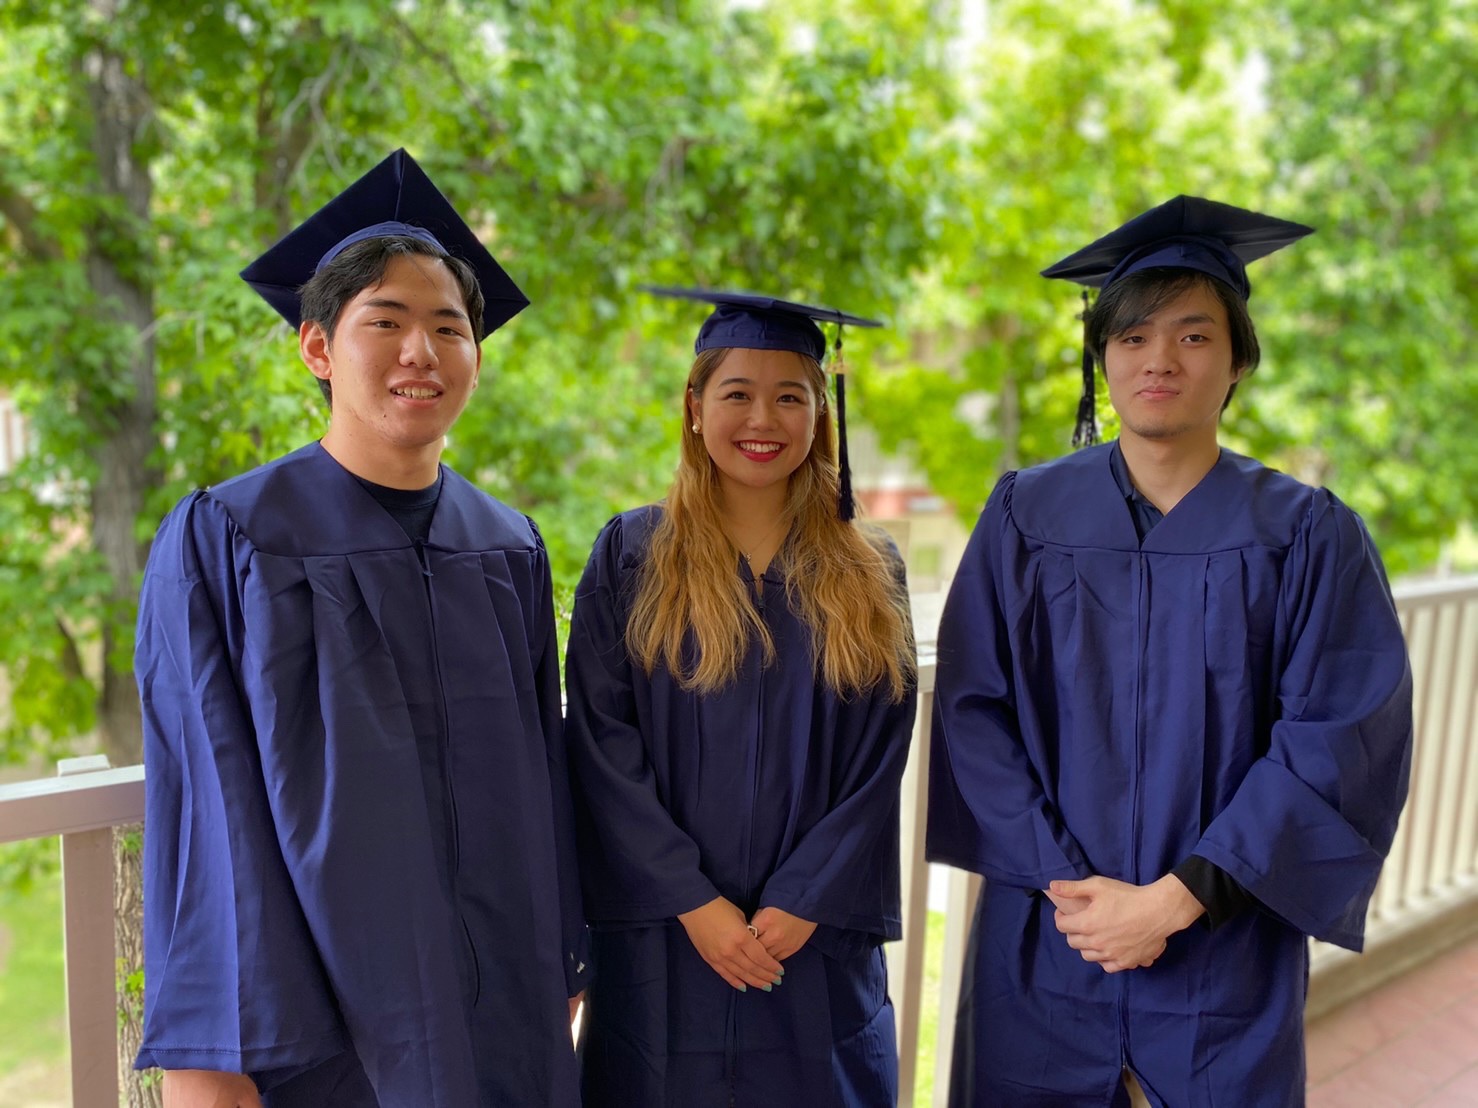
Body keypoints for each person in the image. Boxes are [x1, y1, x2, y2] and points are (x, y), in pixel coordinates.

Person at [926, 195, 1414, 1106]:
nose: (1160, 359)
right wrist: (1078, 893)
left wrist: (1173, 901)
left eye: (1194, 337)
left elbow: (1337, 738)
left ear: (1236, 364)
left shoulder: (1307, 535)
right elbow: (972, 710)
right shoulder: (1025, 517)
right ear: (1102, 356)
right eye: (1136, 335)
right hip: (1048, 937)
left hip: (1221, 946)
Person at [134, 149, 587, 1107]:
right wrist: (216, 1062)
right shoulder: (231, 537)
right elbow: (207, 812)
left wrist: (561, 971)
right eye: (386, 322)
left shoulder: (507, 546)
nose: (421, 352)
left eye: (449, 327)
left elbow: (542, 785)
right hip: (320, 1036)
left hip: (504, 1021)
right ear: (316, 348)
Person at [566, 288, 918, 1105]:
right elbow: (601, 742)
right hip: (665, 939)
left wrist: (802, 901)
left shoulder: (870, 570)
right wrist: (694, 902)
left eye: (790, 396)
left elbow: (879, 761)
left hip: (812, 944)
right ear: (694, 408)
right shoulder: (633, 554)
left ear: (819, 416)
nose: (764, 418)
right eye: (737, 394)